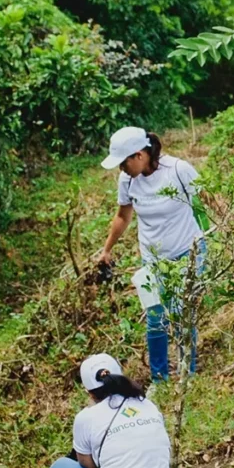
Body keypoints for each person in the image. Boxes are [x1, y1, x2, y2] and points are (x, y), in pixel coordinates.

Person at [92, 125, 211, 381]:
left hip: (187, 252)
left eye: (124, 163)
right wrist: (106, 250)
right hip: (153, 259)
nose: (121, 170)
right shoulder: (127, 180)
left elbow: (209, 199)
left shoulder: (178, 170)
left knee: (181, 312)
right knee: (155, 318)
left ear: (140, 155)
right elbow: (123, 217)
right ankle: (160, 379)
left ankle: (187, 372)